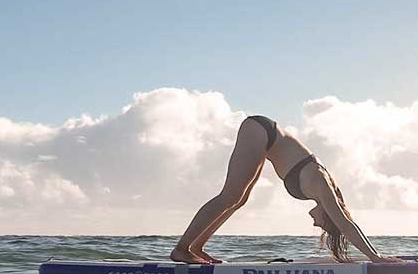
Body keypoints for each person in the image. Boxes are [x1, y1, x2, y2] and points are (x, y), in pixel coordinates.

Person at [170, 114, 404, 265]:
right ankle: (182, 249)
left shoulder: (320, 188)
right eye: (322, 223)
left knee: (238, 200)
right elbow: (345, 222)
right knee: (230, 195)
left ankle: (197, 247)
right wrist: (376, 258)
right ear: (328, 214)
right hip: (261, 130)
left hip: (266, 138)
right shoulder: (322, 185)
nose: (315, 224)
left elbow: (342, 221)